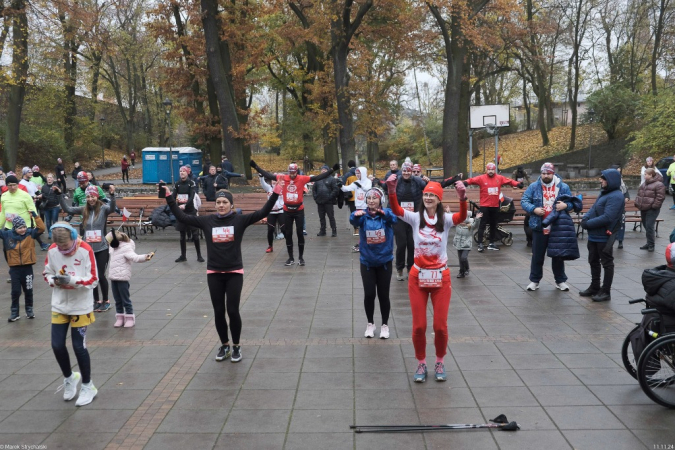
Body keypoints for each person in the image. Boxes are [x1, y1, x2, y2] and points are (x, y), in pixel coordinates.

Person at [163, 184, 282, 362]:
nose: (221, 205)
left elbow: (263, 212)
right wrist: (168, 197)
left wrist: (276, 193)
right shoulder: (207, 221)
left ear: (231, 205)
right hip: (214, 273)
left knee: (232, 311)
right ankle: (224, 345)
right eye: (218, 202)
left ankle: (236, 346)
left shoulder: (239, 220)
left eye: (225, 202)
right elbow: (182, 216)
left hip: (234, 272)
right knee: (218, 311)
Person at [387, 175, 467, 382]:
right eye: (426, 195)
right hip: (418, 278)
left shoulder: (446, 220)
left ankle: (439, 361)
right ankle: (421, 363)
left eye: (432, 195)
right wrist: (391, 191)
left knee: (440, 326)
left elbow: (461, 218)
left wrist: (462, 198)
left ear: (439, 199)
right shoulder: (415, 218)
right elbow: (396, 211)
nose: (429, 198)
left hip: (441, 277)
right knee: (419, 326)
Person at [44, 223, 99, 407]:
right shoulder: (52, 250)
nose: (63, 250)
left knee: (78, 347)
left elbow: (93, 279)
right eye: (60, 248)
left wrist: (74, 281)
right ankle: (69, 377)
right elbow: (47, 272)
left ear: (74, 238)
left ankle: (87, 385)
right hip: (60, 304)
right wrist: (54, 281)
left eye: (66, 246)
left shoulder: (85, 250)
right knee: (57, 345)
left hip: (80, 306)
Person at [251, 160, 338, 266]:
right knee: (288, 234)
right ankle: (290, 257)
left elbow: (317, 177)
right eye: (291, 173)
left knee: (300, 233)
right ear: (288, 172)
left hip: (299, 211)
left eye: (294, 172)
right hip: (287, 211)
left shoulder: (302, 178)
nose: (292, 175)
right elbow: (267, 174)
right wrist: (256, 166)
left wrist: (332, 170)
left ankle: (301, 257)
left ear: (297, 171)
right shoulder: (283, 178)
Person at [521, 163, 578, 291]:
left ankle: (560, 281)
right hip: (539, 226)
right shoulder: (534, 186)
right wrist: (534, 209)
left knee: (558, 255)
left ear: (553, 173)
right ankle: (534, 280)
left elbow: (571, 203)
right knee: (537, 255)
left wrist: (565, 206)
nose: (546, 175)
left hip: (557, 227)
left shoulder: (563, 187)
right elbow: (524, 201)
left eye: (548, 173)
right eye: (544, 173)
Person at [60, 184, 116, 312]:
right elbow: (67, 208)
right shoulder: (83, 210)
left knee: (101, 275)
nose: (90, 199)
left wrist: (112, 195)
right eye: (88, 197)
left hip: (101, 248)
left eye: (93, 196)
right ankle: (96, 300)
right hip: (87, 249)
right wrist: (60, 196)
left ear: (97, 197)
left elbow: (112, 208)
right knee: (92, 275)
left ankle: (106, 300)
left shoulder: (103, 209)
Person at [350, 186, 396, 339]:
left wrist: (384, 214)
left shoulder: (386, 213)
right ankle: (370, 323)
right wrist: (356, 215)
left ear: (380, 200)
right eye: (369, 198)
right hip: (367, 262)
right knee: (369, 294)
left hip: (384, 262)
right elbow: (353, 219)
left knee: (384, 294)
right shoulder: (363, 216)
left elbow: (393, 219)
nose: (371, 201)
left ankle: (384, 325)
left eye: (374, 198)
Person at [579, 169, 625, 302]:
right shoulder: (604, 193)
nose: (600, 180)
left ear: (611, 180)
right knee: (593, 261)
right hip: (594, 235)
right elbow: (593, 209)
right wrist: (585, 219)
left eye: (603, 178)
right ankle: (594, 287)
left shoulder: (616, 196)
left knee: (607, 263)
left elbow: (608, 217)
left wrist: (588, 224)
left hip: (604, 236)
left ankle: (605, 291)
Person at [463, 162, 523, 252]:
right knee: (482, 224)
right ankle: (480, 244)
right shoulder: (481, 178)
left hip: (495, 206)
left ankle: (491, 243)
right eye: (489, 169)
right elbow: (472, 180)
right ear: (486, 170)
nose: (490, 171)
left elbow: (509, 181)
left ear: (494, 170)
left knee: (493, 225)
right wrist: (465, 182)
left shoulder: (499, 178)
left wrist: (517, 184)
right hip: (484, 206)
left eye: (492, 169)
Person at [0, 213, 45, 321]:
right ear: (15, 228)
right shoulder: (7, 235)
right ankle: (14, 312)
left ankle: (29, 309)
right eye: (20, 228)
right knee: (15, 291)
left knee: (28, 289)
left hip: (27, 267)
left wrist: (36, 217)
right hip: (14, 269)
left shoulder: (30, 233)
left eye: (24, 227)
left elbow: (41, 228)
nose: (23, 229)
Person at [107, 229, 153, 328]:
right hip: (113, 277)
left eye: (109, 241)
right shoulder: (113, 248)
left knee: (125, 299)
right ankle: (120, 317)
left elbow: (135, 257)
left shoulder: (125, 248)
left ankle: (129, 317)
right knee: (117, 299)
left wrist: (145, 257)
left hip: (122, 278)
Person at [171, 166, 203, 263]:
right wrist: (172, 202)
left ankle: (199, 255)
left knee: (195, 234)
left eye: (183, 171)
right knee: (182, 235)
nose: (181, 173)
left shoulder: (191, 183)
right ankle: (183, 256)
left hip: (190, 211)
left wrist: (185, 205)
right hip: (181, 211)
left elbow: (192, 196)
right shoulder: (177, 184)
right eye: (180, 171)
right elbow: (173, 196)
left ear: (187, 172)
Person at [635, 168, 666, 252]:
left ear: (651, 175)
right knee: (646, 226)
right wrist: (638, 203)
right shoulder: (644, 184)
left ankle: (651, 245)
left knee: (649, 226)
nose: (644, 175)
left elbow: (660, 197)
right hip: (643, 208)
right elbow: (640, 194)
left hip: (652, 209)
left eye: (645, 174)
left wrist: (654, 206)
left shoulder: (659, 184)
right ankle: (649, 243)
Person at [341, 167, 371, 252]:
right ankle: (361, 244)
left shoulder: (368, 182)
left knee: (366, 227)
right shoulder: (356, 182)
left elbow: (367, 189)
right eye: (356, 173)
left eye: (359, 173)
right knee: (361, 227)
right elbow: (347, 188)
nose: (357, 175)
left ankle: (364, 244)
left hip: (366, 207)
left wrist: (360, 186)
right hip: (358, 207)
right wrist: (340, 186)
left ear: (364, 174)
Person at [259, 174, 285, 252]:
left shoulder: (283, 188)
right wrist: (261, 176)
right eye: (273, 180)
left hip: (281, 211)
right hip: (271, 212)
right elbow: (263, 183)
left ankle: (289, 244)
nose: (274, 181)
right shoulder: (269, 188)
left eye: (276, 180)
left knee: (284, 229)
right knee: (270, 229)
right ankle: (270, 246)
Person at [453, 211, 482, 278]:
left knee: (463, 258)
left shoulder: (470, 226)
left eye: (463, 221)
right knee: (460, 259)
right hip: (458, 244)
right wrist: (448, 212)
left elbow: (476, 225)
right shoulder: (458, 225)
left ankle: (467, 268)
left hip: (467, 244)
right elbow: (452, 219)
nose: (462, 223)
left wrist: (477, 219)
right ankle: (461, 272)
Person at [313, 165, 339, 237]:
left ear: (328, 171)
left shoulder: (332, 179)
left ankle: (334, 231)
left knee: (331, 217)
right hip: (320, 201)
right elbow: (314, 189)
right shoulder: (318, 179)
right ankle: (322, 230)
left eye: (325, 169)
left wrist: (330, 197)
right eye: (322, 169)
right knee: (321, 217)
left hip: (328, 202)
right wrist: (315, 197)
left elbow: (335, 189)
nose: (323, 170)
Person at [40, 174, 62, 239]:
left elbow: (60, 193)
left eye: (50, 177)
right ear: (46, 179)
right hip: (47, 207)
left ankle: (55, 233)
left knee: (55, 220)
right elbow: (42, 195)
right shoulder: (44, 187)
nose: (49, 179)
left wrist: (57, 189)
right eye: (48, 177)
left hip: (55, 206)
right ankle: (49, 232)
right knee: (48, 221)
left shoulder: (56, 186)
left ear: (53, 179)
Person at [615, 166, 629, 249]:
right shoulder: (610, 182)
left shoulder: (622, 183)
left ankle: (620, 240)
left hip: (621, 207)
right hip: (613, 207)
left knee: (622, 224)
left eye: (620, 172)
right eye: (617, 171)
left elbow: (626, 192)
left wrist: (627, 197)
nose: (619, 173)